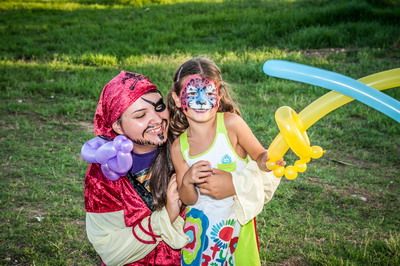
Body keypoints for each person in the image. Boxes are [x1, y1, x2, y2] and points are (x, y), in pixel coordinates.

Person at [82, 70, 280, 266]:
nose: (157, 119)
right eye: (141, 114)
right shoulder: (103, 175)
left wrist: (236, 184)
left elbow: (264, 174)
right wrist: (166, 216)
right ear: (117, 126)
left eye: (159, 107)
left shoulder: (184, 146)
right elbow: (111, 252)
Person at [168, 56, 282, 266]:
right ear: (177, 98)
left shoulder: (232, 125)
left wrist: (268, 160)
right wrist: (188, 181)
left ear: (219, 96)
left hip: (236, 225)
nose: (201, 102)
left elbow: (260, 156)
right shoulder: (179, 148)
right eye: (192, 94)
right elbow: (188, 199)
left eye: (209, 93)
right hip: (200, 232)